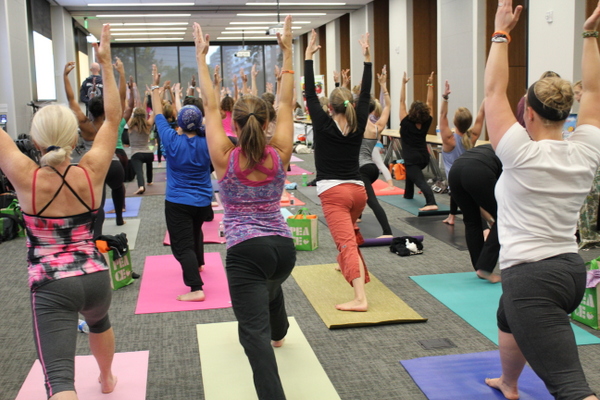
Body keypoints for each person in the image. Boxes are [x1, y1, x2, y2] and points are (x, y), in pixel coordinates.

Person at [484, 2, 600, 400]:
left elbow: (493, 91)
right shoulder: (585, 149)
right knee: (507, 315)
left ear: (528, 114)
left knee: (570, 387)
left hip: (533, 278)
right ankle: (509, 382)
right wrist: (589, 36)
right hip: (570, 271)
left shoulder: (520, 152)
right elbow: (597, 91)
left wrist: (501, 34)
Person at [0, 24, 119, 400]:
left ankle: (94, 382)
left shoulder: (26, 177)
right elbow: (114, 118)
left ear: (34, 141)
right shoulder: (92, 169)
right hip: (97, 277)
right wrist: (105, 66)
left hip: (53, 284)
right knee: (99, 323)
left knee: (60, 381)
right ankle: (107, 379)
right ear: (74, 138)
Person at [195, 16, 296, 400]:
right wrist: (287, 51)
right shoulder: (281, 151)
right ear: (267, 121)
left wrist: (202, 59)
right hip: (283, 250)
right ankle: (281, 330)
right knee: (269, 287)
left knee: (251, 335)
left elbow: (207, 104)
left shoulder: (225, 157)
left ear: (233, 123)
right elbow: (285, 99)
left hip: (246, 250)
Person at [305, 28, 372, 311]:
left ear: (329, 108)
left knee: (346, 242)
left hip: (334, 193)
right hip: (358, 192)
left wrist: (308, 57)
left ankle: (360, 298)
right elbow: (367, 93)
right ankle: (343, 264)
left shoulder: (321, 123)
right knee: (349, 232)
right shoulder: (359, 122)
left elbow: (309, 92)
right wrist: (366, 59)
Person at [151, 66, 213, 302]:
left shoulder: (171, 140)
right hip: (202, 200)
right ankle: (198, 263)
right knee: (195, 231)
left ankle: (196, 288)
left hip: (177, 201)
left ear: (178, 121)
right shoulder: (209, 140)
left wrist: (156, 87)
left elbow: (158, 114)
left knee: (182, 246)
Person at [64, 58, 133, 230]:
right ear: (105, 108)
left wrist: (65, 77)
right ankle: (119, 219)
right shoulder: (112, 123)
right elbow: (122, 97)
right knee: (118, 189)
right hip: (114, 165)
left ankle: (97, 233)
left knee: (97, 203)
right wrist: (121, 73)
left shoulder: (85, 125)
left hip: (94, 167)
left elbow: (72, 100)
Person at [447, 144, 502, 283]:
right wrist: (494, 217)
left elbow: (478, 198)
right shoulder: (511, 152)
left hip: (455, 171)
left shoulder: (489, 147)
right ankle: (485, 267)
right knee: (505, 218)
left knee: (471, 220)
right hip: (477, 172)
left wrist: (490, 217)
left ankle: (480, 268)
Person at [439, 80, 485, 225]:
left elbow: (442, 116)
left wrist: (445, 98)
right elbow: (481, 115)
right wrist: (487, 97)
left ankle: (482, 226)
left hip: (455, 179)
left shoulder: (449, 140)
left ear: (455, 121)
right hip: (468, 175)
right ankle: (452, 216)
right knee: (464, 196)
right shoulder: (472, 137)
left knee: (467, 205)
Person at [358, 65, 393, 237]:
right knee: (359, 193)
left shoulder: (357, 124)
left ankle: (387, 231)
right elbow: (388, 107)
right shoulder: (377, 126)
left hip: (361, 169)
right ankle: (357, 215)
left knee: (371, 200)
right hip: (372, 169)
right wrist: (383, 86)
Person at [399, 71, 438, 211]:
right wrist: (430, 84)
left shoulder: (405, 121)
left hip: (412, 159)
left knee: (420, 181)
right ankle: (408, 194)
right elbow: (430, 102)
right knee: (411, 172)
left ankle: (431, 202)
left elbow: (401, 101)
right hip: (423, 157)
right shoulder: (427, 121)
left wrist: (403, 84)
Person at [127, 106, 155, 195]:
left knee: (139, 171)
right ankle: (150, 180)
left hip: (137, 154)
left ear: (134, 116)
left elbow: (127, 112)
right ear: (144, 116)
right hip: (149, 154)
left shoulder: (130, 125)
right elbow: (154, 113)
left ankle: (141, 186)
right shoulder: (148, 125)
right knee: (149, 163)